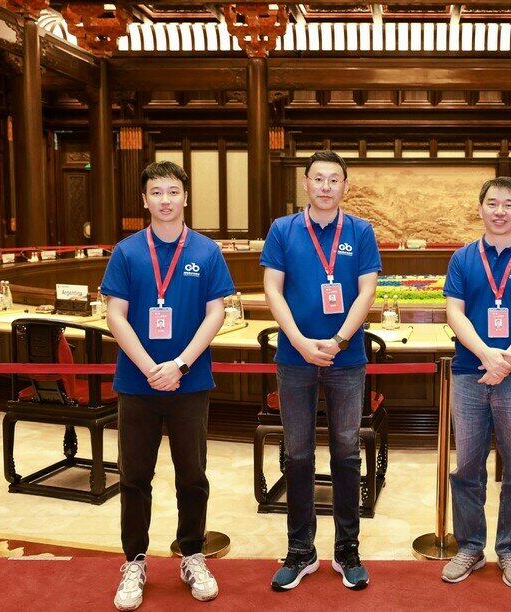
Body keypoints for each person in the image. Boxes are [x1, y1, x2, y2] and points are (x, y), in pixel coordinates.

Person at [103, 161, 235, 611]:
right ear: (145, 200)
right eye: (156, 192)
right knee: (135, 477)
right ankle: (134, 561)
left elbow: (215, 313)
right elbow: (115, 315)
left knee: (192, 475)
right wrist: (149, 368)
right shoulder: (126, 252)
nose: (165, 199)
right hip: (136, 384)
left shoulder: (206, 250)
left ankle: (192, 553)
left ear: (184, 197)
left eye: (172, 191)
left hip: (190, 380)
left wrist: (177, 364)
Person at [261, 150, 381, 592]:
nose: (326, 186)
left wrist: (339, 341)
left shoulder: (361, 231)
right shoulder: (283, 230)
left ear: (345, 187)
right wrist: (298, 340)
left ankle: (347, 549)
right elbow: (272, 289)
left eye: (335, 179)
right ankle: (300, 550)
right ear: (305, 185)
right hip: (294, 359)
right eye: (318, 178)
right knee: (297, 454)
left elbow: (367, 290)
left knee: (347, 453)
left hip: (346, 360)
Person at [441, 177, 511, 588]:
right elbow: (455, 313)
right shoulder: (463, 257)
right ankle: (470, 546)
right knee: (467, 466)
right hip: (471, 373)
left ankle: (509, 550)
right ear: (480, 208)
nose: (500, 211)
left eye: (509, 204)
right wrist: (488, 355)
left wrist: (506, 360)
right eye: (492, 203)